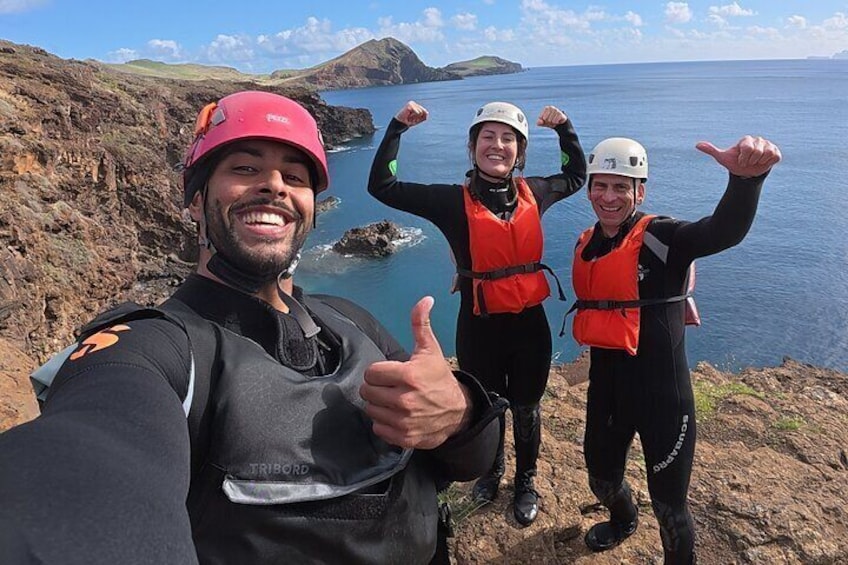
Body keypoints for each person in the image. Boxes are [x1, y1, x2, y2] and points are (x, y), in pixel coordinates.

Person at [0, 91, 506, 565]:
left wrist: (458, 412)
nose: (275, 185)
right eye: (245, 168)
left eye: (296, 176)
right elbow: (85, 462)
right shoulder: (160, 349)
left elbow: (473, 461)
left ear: (309, 210)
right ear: (196, 200)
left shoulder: (351, 319)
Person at [368, 100, 586, 526]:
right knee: (486, 407)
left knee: (526, 408)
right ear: (472, 148)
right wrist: (396, 128)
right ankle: (491, 471)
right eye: (488, 137)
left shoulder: (536, 193)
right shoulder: (451, 202)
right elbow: (382, 186)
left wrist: (565, 129)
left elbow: (577, 174)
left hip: (529, 327)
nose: (497, 145)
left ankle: (525, 480)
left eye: (508, 139)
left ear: (519, 153)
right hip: (479, 326)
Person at [569, 135, 781, 563]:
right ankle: (624, 519)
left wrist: (745, 181)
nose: (609, 197)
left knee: (670, 508)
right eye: (600, 185)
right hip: (607, 390)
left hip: (664, 399)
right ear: (590, 188)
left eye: (621, 187)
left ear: (639, 191)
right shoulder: (586, 243)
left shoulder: (663, 237)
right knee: (601, 481)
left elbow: (721, 231)